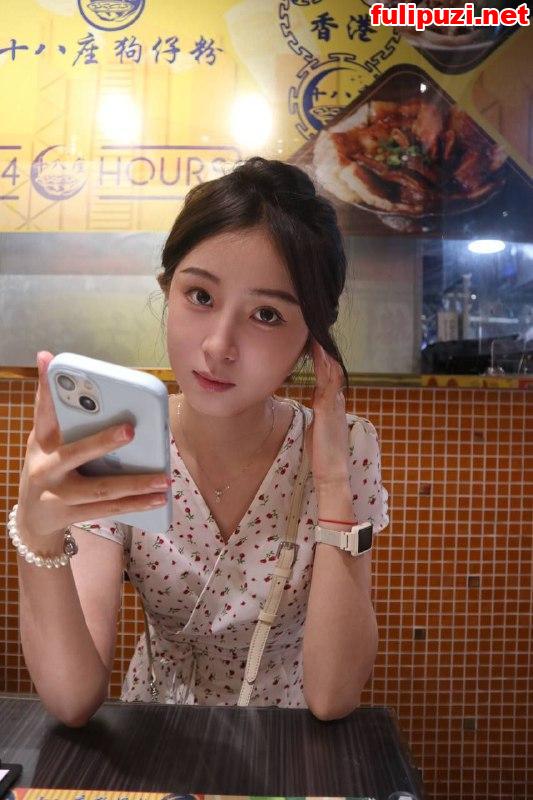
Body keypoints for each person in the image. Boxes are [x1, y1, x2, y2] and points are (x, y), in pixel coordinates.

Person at [14, 157, 389, 727]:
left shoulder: (347, 446)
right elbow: (72, 699)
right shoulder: (121, 437)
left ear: (311, 338)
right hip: (156, 735)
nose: (218, 346)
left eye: (267, 314)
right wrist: (38, 533)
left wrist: (333, 480)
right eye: (201, 296)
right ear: (167, 290)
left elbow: (334, 695)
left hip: (287, 743)